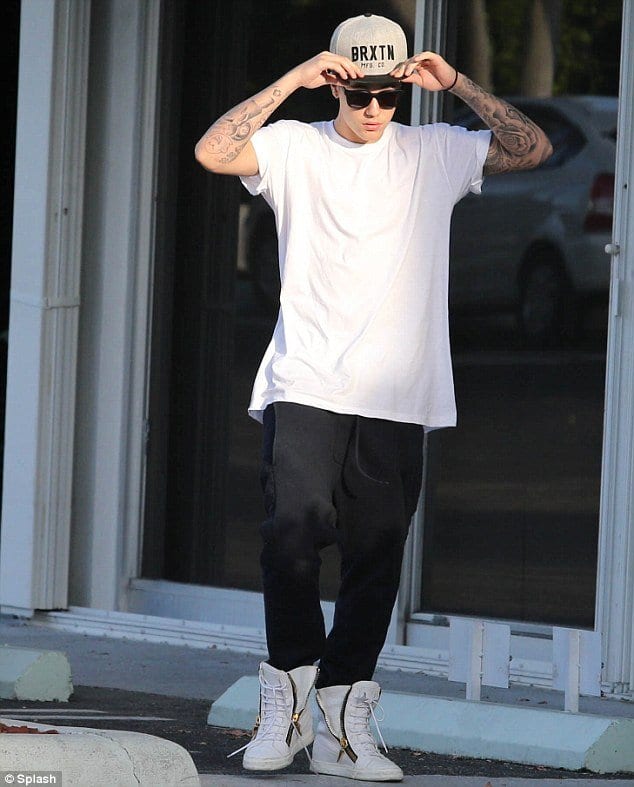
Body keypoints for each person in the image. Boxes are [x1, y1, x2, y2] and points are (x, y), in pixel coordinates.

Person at [195, 12, 552, 783]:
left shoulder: (434, 151)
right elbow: (213, 151)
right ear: (337, 85)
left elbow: (533, 148)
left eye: (388, 93)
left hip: (397, 391)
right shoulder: (295, 147)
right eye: (360, 93)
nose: (374, 108)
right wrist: (294, 79)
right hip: (306, 380)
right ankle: (287, 704)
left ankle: (341, 730)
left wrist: (458, 84)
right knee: (289, 536)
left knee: (375, 557)